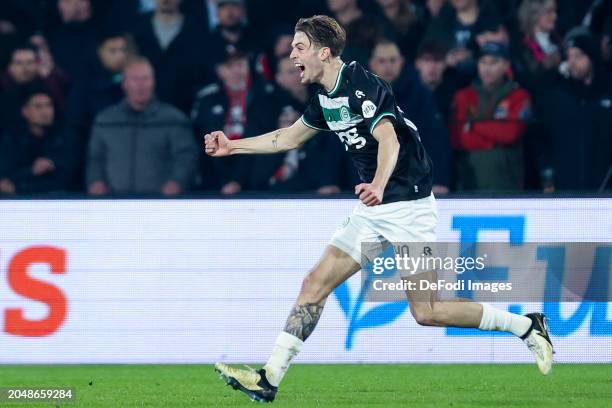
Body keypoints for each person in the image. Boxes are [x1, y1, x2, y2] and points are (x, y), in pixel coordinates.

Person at [207, 15, 554, 403]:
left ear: (324, 53)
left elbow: (388, 138)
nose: (291, 55)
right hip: (373, 209)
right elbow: (288, 138)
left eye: (299, 47)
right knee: (314, 285)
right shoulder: (325, 97)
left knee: (427, 312)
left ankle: (526, 325)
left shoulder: (362, 85)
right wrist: (232, 145)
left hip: (408, 206)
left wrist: (377, 184)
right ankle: (269, 378)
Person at [87, 57, 197, 196]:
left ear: (153, 82)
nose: (140, 85)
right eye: (135, 79)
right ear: (124, 83)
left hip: (160, 205)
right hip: (114, 205)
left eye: (145, 79)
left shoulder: (174, 119)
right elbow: (95, 159)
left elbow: (186, 157)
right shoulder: (105, 120)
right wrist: (95, 181)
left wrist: (177, 182)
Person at [369, 39, 451, 194]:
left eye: (393, 60)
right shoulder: (357, 95)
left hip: (411, 182)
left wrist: (440, 180)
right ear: (372, 63)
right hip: (367, 181)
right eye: (382, 61)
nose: (388, 66)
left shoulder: (420, 95)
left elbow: (435, 140)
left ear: (401, 62)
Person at [449, 42, 532, 191]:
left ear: (506, 65)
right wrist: (494, 143)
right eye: (483, 62)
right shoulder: (463, 96)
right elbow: (458, 138)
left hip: (507, 186)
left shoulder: (519, 96)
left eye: (494, 62)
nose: (487, 68)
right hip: (469, 184)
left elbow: (510, 133)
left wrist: (473, 126)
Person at [192, 49, 273, 194]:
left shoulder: (263, 97)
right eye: (230, 66)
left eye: (241, 65)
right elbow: (202, 141)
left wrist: (238, 180)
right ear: (219, 70)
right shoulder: (207, 99)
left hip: (254, 181)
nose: (237, 71)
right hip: (215, 182)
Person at [539, 32, 612, 191]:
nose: (571, 63)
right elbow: (544, 140)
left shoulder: (607, 94)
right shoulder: (558, 96)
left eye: (578, 56)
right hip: (567, 190)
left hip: (604, 190)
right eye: (569, 57)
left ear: (592, 58)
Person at [0, 88, 75, 195]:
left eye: (48, 105)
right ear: (25, 111)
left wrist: (20, 187)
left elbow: (66, 176)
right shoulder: (12, 139)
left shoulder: (64, 137)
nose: (45, 111)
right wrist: (31, 171)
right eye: (38, 106)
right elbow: (5, 176)